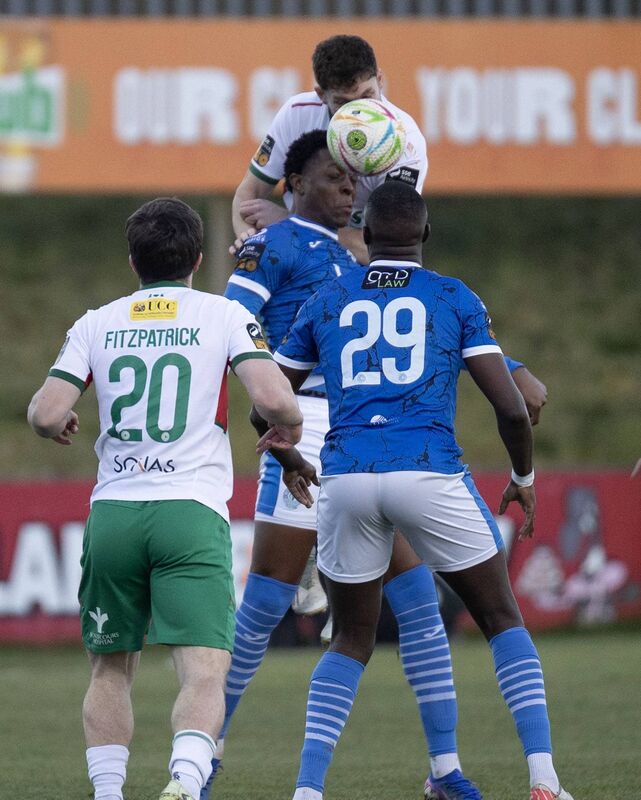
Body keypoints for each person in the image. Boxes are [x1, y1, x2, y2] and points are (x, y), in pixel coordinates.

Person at [212, 131, 541, 800]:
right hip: (306, 422)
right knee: (265, 603)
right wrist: (272, 406)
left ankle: (444, 770)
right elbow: (229, 325)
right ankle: (202, 755)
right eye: (333, 177)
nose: (346, 187)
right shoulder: (271, 246)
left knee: (418, 603)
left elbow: (411, 320)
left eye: (352, 180)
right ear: (293, 183)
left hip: (362, 435)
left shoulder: (356, 251)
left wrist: (505, 366)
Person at [27, 198, 304, 800]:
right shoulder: (223, 315)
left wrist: (60, 426)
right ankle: (184, 779)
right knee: (204, 669)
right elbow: (275, 399)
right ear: (198, 258)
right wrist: (293, 426)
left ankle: (107, 793)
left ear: (133, 262)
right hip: (189, 512)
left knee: (109, 667)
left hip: (116, 513)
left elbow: (45, 411)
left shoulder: (96, 321)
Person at [231, 34, 427, 266]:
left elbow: (385, 249)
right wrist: (249, 240)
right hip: (296, 259)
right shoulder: (297, 114)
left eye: (367, 96)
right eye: (344, 103)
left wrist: (291, 223)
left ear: (380, 80)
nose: (360, 116)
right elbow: (248, 195)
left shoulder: (405, 142)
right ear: (321, 94)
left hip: (360, 273)